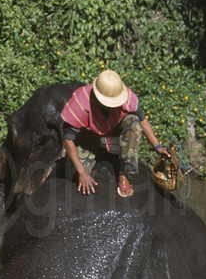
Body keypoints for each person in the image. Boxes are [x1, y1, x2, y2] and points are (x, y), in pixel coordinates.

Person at [61, 69, 170, 198]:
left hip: (113, 128)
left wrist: (157, 147)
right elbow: (67, 139)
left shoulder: (127, 97)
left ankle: (125, 173)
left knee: (133, 121)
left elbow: (142, 120)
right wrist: (82, 172)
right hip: (87, 138)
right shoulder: (80, 102)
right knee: (74, 172)